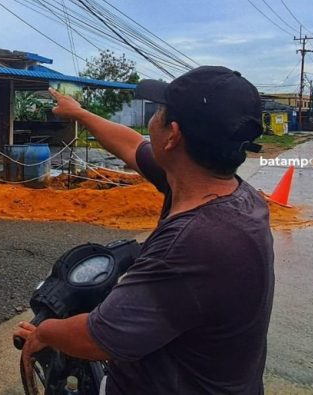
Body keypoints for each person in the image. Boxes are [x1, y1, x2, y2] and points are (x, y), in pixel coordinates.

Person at [14, 66, 275, 394]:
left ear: (173, 135)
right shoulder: (229, 192)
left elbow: (99, 337)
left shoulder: (195, 241)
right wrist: (79, 113)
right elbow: (131, 145)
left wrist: (44, 333)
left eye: (160, 111)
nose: (153, 119)